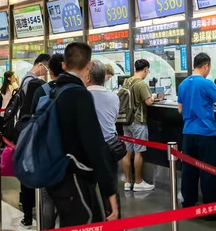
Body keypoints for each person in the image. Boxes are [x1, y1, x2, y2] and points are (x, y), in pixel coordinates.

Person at [46, 42, 118, 226]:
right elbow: (95, 146)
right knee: (86, 223)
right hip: (76, 178)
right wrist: (110, 193)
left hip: (56, 174)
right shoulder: (80, 95)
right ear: (88, 66)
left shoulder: (53, 91)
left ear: (63, 65)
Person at [177, 53, 216, 211]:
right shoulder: (206, 83)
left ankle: (188, 203)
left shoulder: (183, 84)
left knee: (189, 171)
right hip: (206, 133)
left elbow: (180, 110)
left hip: (188, 133)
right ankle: (211, 208)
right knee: (208, 171)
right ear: (206, 66)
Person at [28, 54, 63, 230]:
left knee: (47, 197)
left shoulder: (41, 90)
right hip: (68, 151)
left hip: (46, 150)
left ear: (50, 71)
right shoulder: (78, 89)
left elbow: (33, 118)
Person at [17, 53, 50, 229]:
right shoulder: (38, 85)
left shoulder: (26, 81)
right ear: (42, 65)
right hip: (38, 136)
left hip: (25, 131)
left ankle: (28, 216)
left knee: (27, 176)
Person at [86, 60, 122, 219]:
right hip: (110, 147)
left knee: (88, 187)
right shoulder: (114, 97)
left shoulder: (82, 96)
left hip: (88, 149)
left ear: (88, 77)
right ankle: (114, 220)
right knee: (111, 187)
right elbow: (112, 120)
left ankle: (94, 221)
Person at [121, 59, 156, 192]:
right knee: (138, 153)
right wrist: (153, 97)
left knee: (127, 152)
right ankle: (139, 182)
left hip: (126, 121)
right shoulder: (141, 84)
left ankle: (127, 181)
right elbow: (148, 102)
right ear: (146, 69)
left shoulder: (127, 81)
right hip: (138, 121)